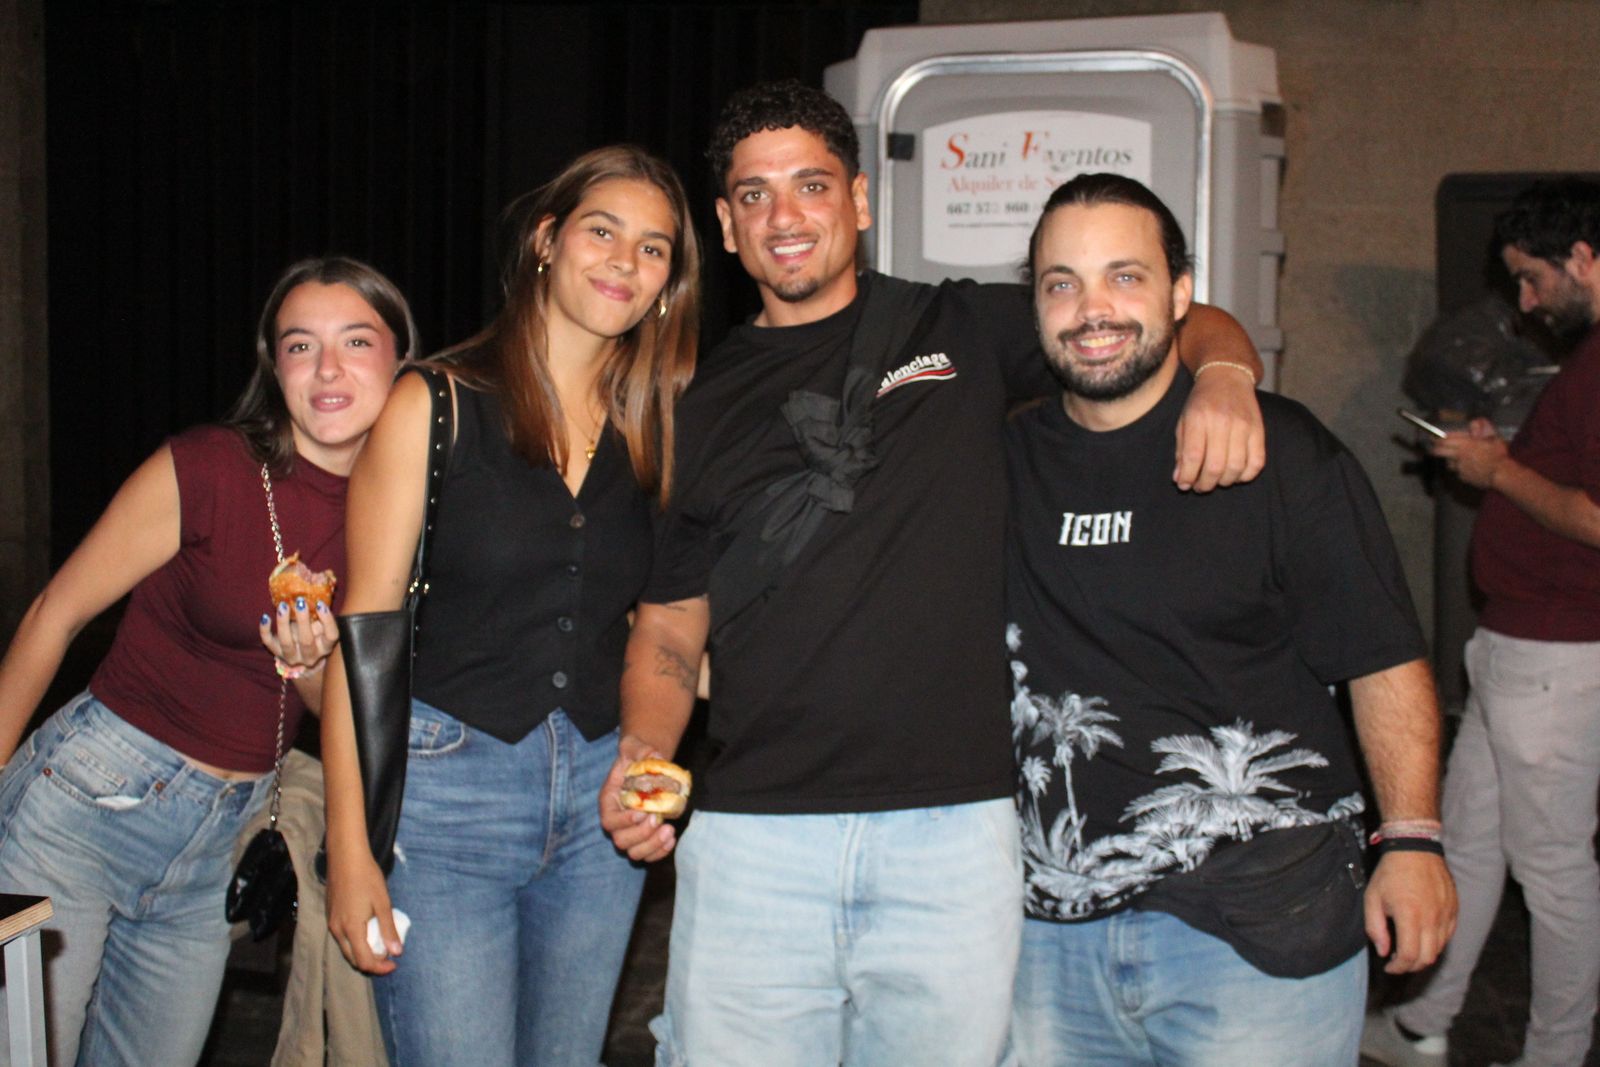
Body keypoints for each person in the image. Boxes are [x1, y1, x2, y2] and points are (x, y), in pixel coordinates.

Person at [601, 80, 1267, 1067]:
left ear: (860, 201)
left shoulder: (959, 328)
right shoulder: (693, 402)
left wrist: (1224, 378)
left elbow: (1174, 317)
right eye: (754, 195)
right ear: (727, 227)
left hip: (953, 836)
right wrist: (640, 754)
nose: (785, 216)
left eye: (810, 185)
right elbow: (667, 624)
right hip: (752, 839)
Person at [1004, 172, 1457, 1066]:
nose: (1093, 308)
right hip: (1048, 945)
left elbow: (1384, 659)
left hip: (1261, 934)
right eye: (1063, 283)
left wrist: (1411, 839)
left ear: (1181, 294)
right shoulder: (997, 459)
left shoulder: (1281, 451)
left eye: (1125, 277)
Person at [319, 144, 700, 1067]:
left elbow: (668, 622)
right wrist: (352, 849)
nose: (624, 261)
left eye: (653, 249)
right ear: (545, 239)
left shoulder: (663, 424)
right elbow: (361, 638)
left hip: (599, 806)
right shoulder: (435, 403)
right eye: (602, 231)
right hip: (447, 797)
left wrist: (646, 763)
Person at [0, 256, 415, 1067]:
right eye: (300, 346)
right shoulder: (212, 467)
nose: (327, 368)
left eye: (355, 341)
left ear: (400, 362)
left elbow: (345, 715)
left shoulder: (395, 508)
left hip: (216, 844)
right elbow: (55, 614)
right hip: (83, 809)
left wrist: (304, 665)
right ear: (275, 367)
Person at [1363, 177, 1600, 1067]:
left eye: (1532, 278)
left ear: (1583, 256)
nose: (1527, 303)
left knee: (1557, 875)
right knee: (1462, 843)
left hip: (1559, 659)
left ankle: (1557, 1054)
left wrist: (1497, 475)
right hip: (1515, 650)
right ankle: (1424, 1019)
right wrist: (1497, 459)